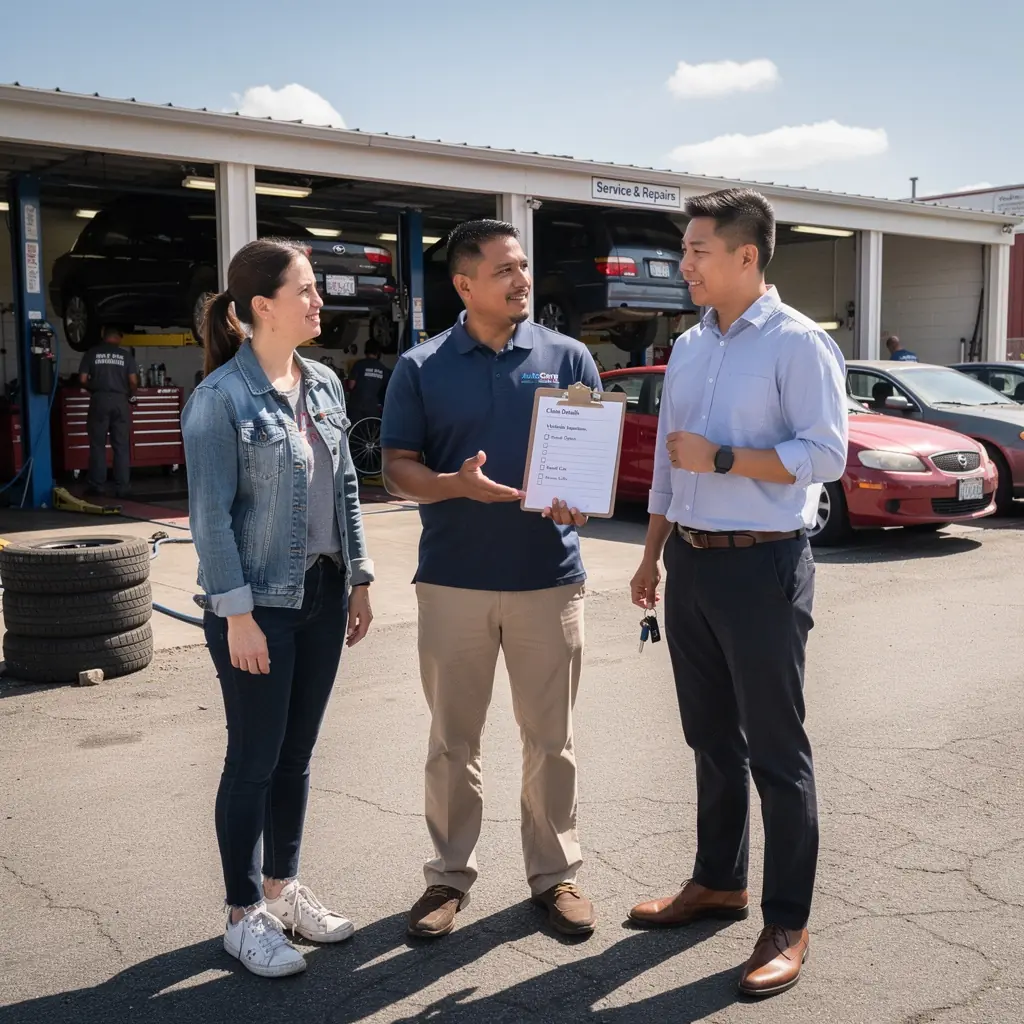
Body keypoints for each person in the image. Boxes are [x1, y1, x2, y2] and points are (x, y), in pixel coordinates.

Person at [627, 189, 847, 998]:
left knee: (777, 754)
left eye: (696, 250)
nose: (683, 263)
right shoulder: (689, 346)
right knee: (710, 738)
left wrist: (723, 458)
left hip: (764, 566)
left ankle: (788, 920)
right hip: (689, 564)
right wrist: (651, 557)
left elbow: (825, 454)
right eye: (685, 249)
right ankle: (717, 881)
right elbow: (663, 466)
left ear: (746, 256)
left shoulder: (799, 344)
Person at [381, 219, 601, 940]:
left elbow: (587, 471)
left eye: (524, 267)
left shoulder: (569, 358)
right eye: (505, 269)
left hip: (548, 579)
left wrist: (580, 497)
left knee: (552, 741)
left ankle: (556, 877)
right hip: (453, 583)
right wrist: (452, 485)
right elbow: (396, 468)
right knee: (452, 742)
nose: (521, 280)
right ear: (464, 284)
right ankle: (447, 879)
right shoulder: (422, 365)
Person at [181, 238, 375, 979]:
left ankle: (283, 889)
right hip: (256, 604)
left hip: (322, 594)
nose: (319, 300)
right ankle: (242, 915)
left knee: (296, 758)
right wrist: (236, 616)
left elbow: (348, 486)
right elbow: (211, 520)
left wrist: (359, 579)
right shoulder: (219, 401)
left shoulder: (323, 382)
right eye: (307, 289)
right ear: (262, 307)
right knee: (254, 761)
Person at [77, 325, 138, 498]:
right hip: (120, 401)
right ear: (118, 338)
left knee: (97, 446)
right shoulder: (125, 356)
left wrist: (94, 390)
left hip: (99, 400)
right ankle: (123, 488)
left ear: (104, 336)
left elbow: (82, 379)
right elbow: (133, 381)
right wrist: (130, 395)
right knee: (121, 447)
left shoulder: (92, 353)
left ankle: (97, 486)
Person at [346, 339, 391, 423]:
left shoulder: (359, 364)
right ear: (378, 352)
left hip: (356, 406)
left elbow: (351, 385)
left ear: (365, 350)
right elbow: (387, 388)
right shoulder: (383, 368)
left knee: (355, 433)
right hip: (373, 408)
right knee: (370, 433)